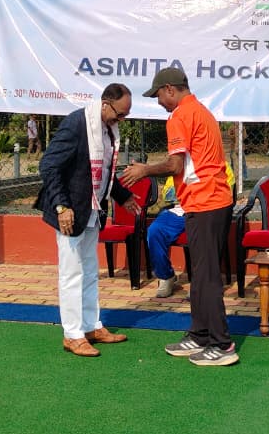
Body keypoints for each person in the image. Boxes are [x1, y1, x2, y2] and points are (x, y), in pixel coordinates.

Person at [121, 67, 236, 367]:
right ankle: (199, 334)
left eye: (158, 95)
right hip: (208, 201)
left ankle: (222, 344)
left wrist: (144, 170)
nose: (159, 102)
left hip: (205, 201)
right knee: (200, 273)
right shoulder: (201, 111)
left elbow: (175, 166)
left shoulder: (180, 115)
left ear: (170, 89)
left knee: (206, 276)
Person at [35, 83, 136, 357]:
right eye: (120, 114)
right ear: (105, 103)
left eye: (126, 115)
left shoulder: (108, 130)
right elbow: (49, 165)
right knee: (71, 273)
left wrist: (123, 196)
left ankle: (91, 326)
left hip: (92, 210)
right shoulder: (77, 124)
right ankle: (72, 334)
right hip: (69, 211)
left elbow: (104, 171)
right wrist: (61, 206)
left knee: (90, 270)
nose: (121, 120)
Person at [149, 161, 235, 298]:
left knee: (204, 234)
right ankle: (166, 276)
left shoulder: (221, 164)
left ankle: (200, 282)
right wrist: (196, 190)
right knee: (155, 231)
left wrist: (194, 190)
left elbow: (225, 192)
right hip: (179, 210)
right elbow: (168, 194)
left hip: (206, 210)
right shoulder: (179, 163)